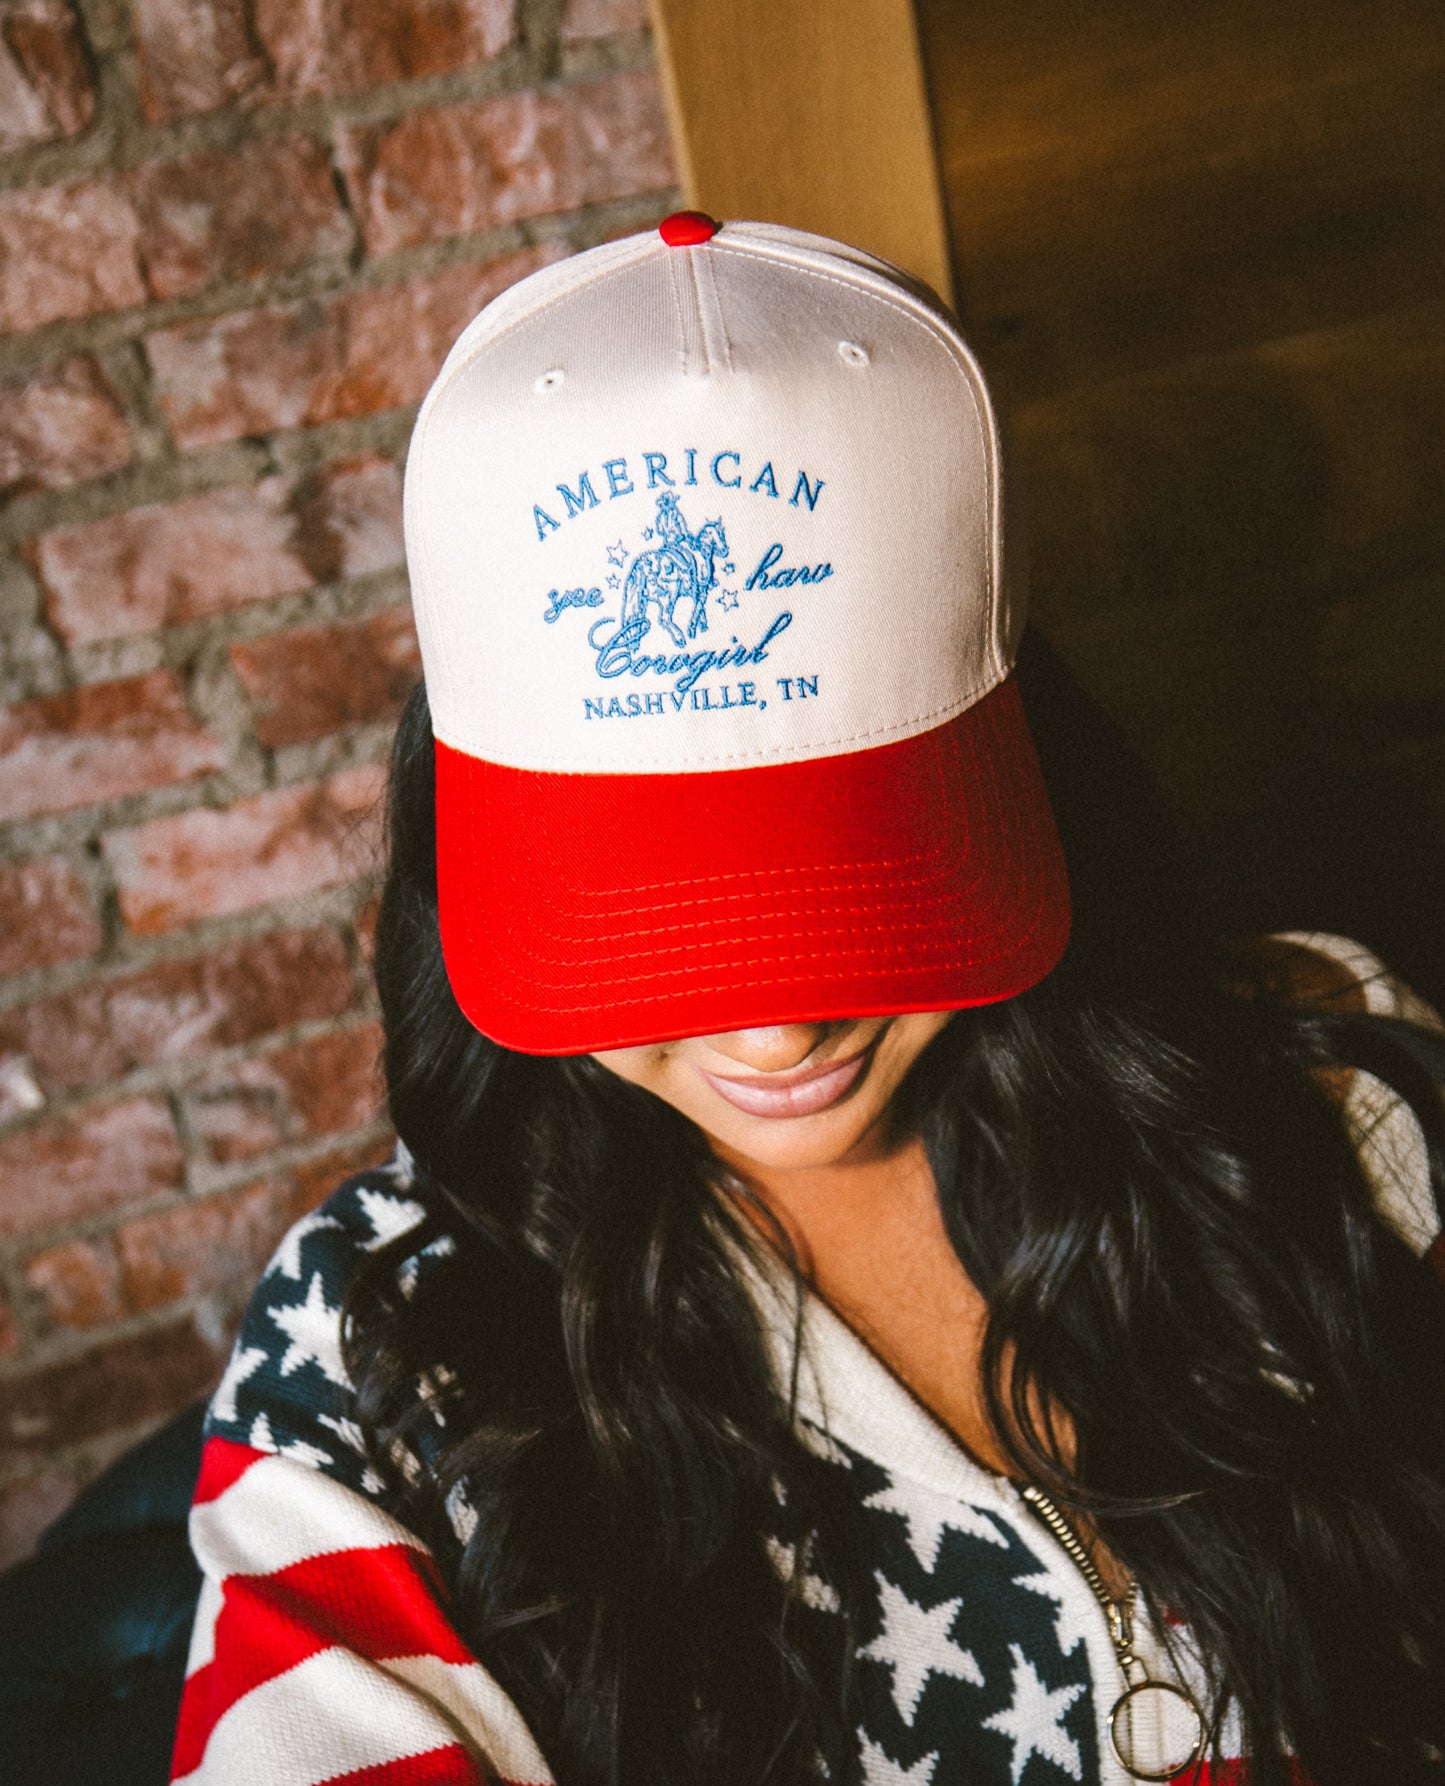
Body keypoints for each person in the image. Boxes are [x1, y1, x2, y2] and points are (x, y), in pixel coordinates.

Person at [169, 216, 1445, 1786]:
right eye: (655, 933)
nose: (779, 1040)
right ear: (466, 842)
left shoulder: (1335, 1091)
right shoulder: (367, 1353)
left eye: (857, 891)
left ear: (1015, 754)